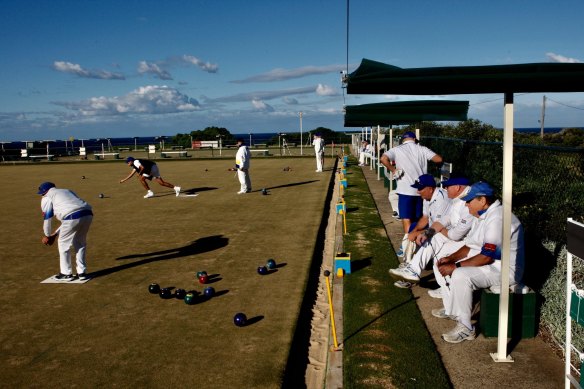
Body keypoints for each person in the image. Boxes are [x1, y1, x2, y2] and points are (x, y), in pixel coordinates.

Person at [432, 181, 524, 344]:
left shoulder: (498, 218)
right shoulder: (484, 215)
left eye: (469, 201)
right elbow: (471, 246)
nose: (466, 205)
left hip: (505, 270)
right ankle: (454, 310)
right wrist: (451, 258)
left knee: (461, 274)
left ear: (482, 200)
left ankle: (466, 327)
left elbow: (487, 256)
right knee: (445, 262)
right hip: (493, 263)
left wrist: (456, 266)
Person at [389, 174, 472, 291]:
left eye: (448, 186)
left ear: (457, 187)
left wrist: (432, 231)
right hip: (454, 236)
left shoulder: (465, 202)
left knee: (435, 243)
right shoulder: (457, 200)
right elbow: (444, 219)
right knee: (429, 240)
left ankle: (415, 272)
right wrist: (425, 232)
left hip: (469, 244)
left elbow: (455, 234)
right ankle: (412, 270)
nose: (446, 188)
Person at [380, 131, 443, 257]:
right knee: (420, 219)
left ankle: (407, 246)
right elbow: (438, 159)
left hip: (405, 190)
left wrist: (393, 170)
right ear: (415, 139)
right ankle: (418, 245)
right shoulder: (422, 149)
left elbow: (383, 159)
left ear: (403, 140)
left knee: (407, 219)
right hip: (422, 191)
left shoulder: (397, 149)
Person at [389, 173, 451, 282]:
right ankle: (408, 268)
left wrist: (418, 233)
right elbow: (425, 218)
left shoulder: (442, 199)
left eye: (420, 188)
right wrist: (414, 231)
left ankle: (411, 270)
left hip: (445, 232)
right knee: (411, 231)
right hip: (435, 229)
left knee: (426, 237)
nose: (418, 191)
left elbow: (439, 226)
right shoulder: (427, 198)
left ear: (430, 189)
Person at [38, 182, 93, 281]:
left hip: (72, 217)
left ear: (44, 192)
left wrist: (47, 235)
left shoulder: (47, 197)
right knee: (80, 243)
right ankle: (82, 273)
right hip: (88, 214)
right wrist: (54, 234)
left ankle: (66, 273)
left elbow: (47, 218)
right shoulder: (67, 191)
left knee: (63, 243)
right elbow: (70, 218)